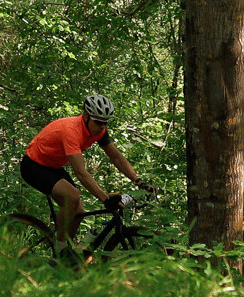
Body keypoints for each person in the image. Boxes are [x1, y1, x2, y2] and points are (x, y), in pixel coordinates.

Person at [20, 94, 148, 253]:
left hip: (52, 166)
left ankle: (68, 255)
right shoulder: (71, 131)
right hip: (33, 165)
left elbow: (116, 157)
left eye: (106, 122)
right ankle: (60, 249)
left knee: (79, 212)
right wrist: (105, 199)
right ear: (86, 116)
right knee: (72, 197)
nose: (102, 126)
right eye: (99, 122)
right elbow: (80, 172)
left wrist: (138, 181)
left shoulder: (99, 131)